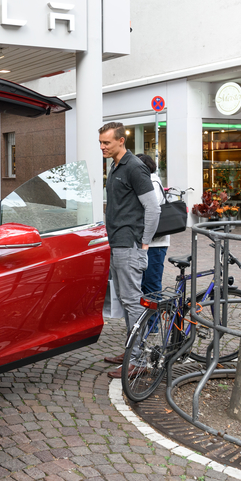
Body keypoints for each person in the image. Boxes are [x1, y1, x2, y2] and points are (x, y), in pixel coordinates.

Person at [98, 123, 160, 380]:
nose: (102, 147)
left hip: (129, 244)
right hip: (117, 242)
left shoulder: (134, 167)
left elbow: (153, 209)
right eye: (101, 143)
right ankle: (131, 353)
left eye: (107, 143)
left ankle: (139, 360)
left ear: (121, 141)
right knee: (126, 301)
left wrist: (144, 244)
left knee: (133, 303)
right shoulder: (115, 165)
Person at [137, 154, 170, 296]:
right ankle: (146, 317)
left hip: (155, 243)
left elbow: (151, 208)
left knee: (151, 285)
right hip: (146, 242)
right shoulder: (146, 182)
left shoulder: (152, 183)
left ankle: (154, 319)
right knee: (143, 284)